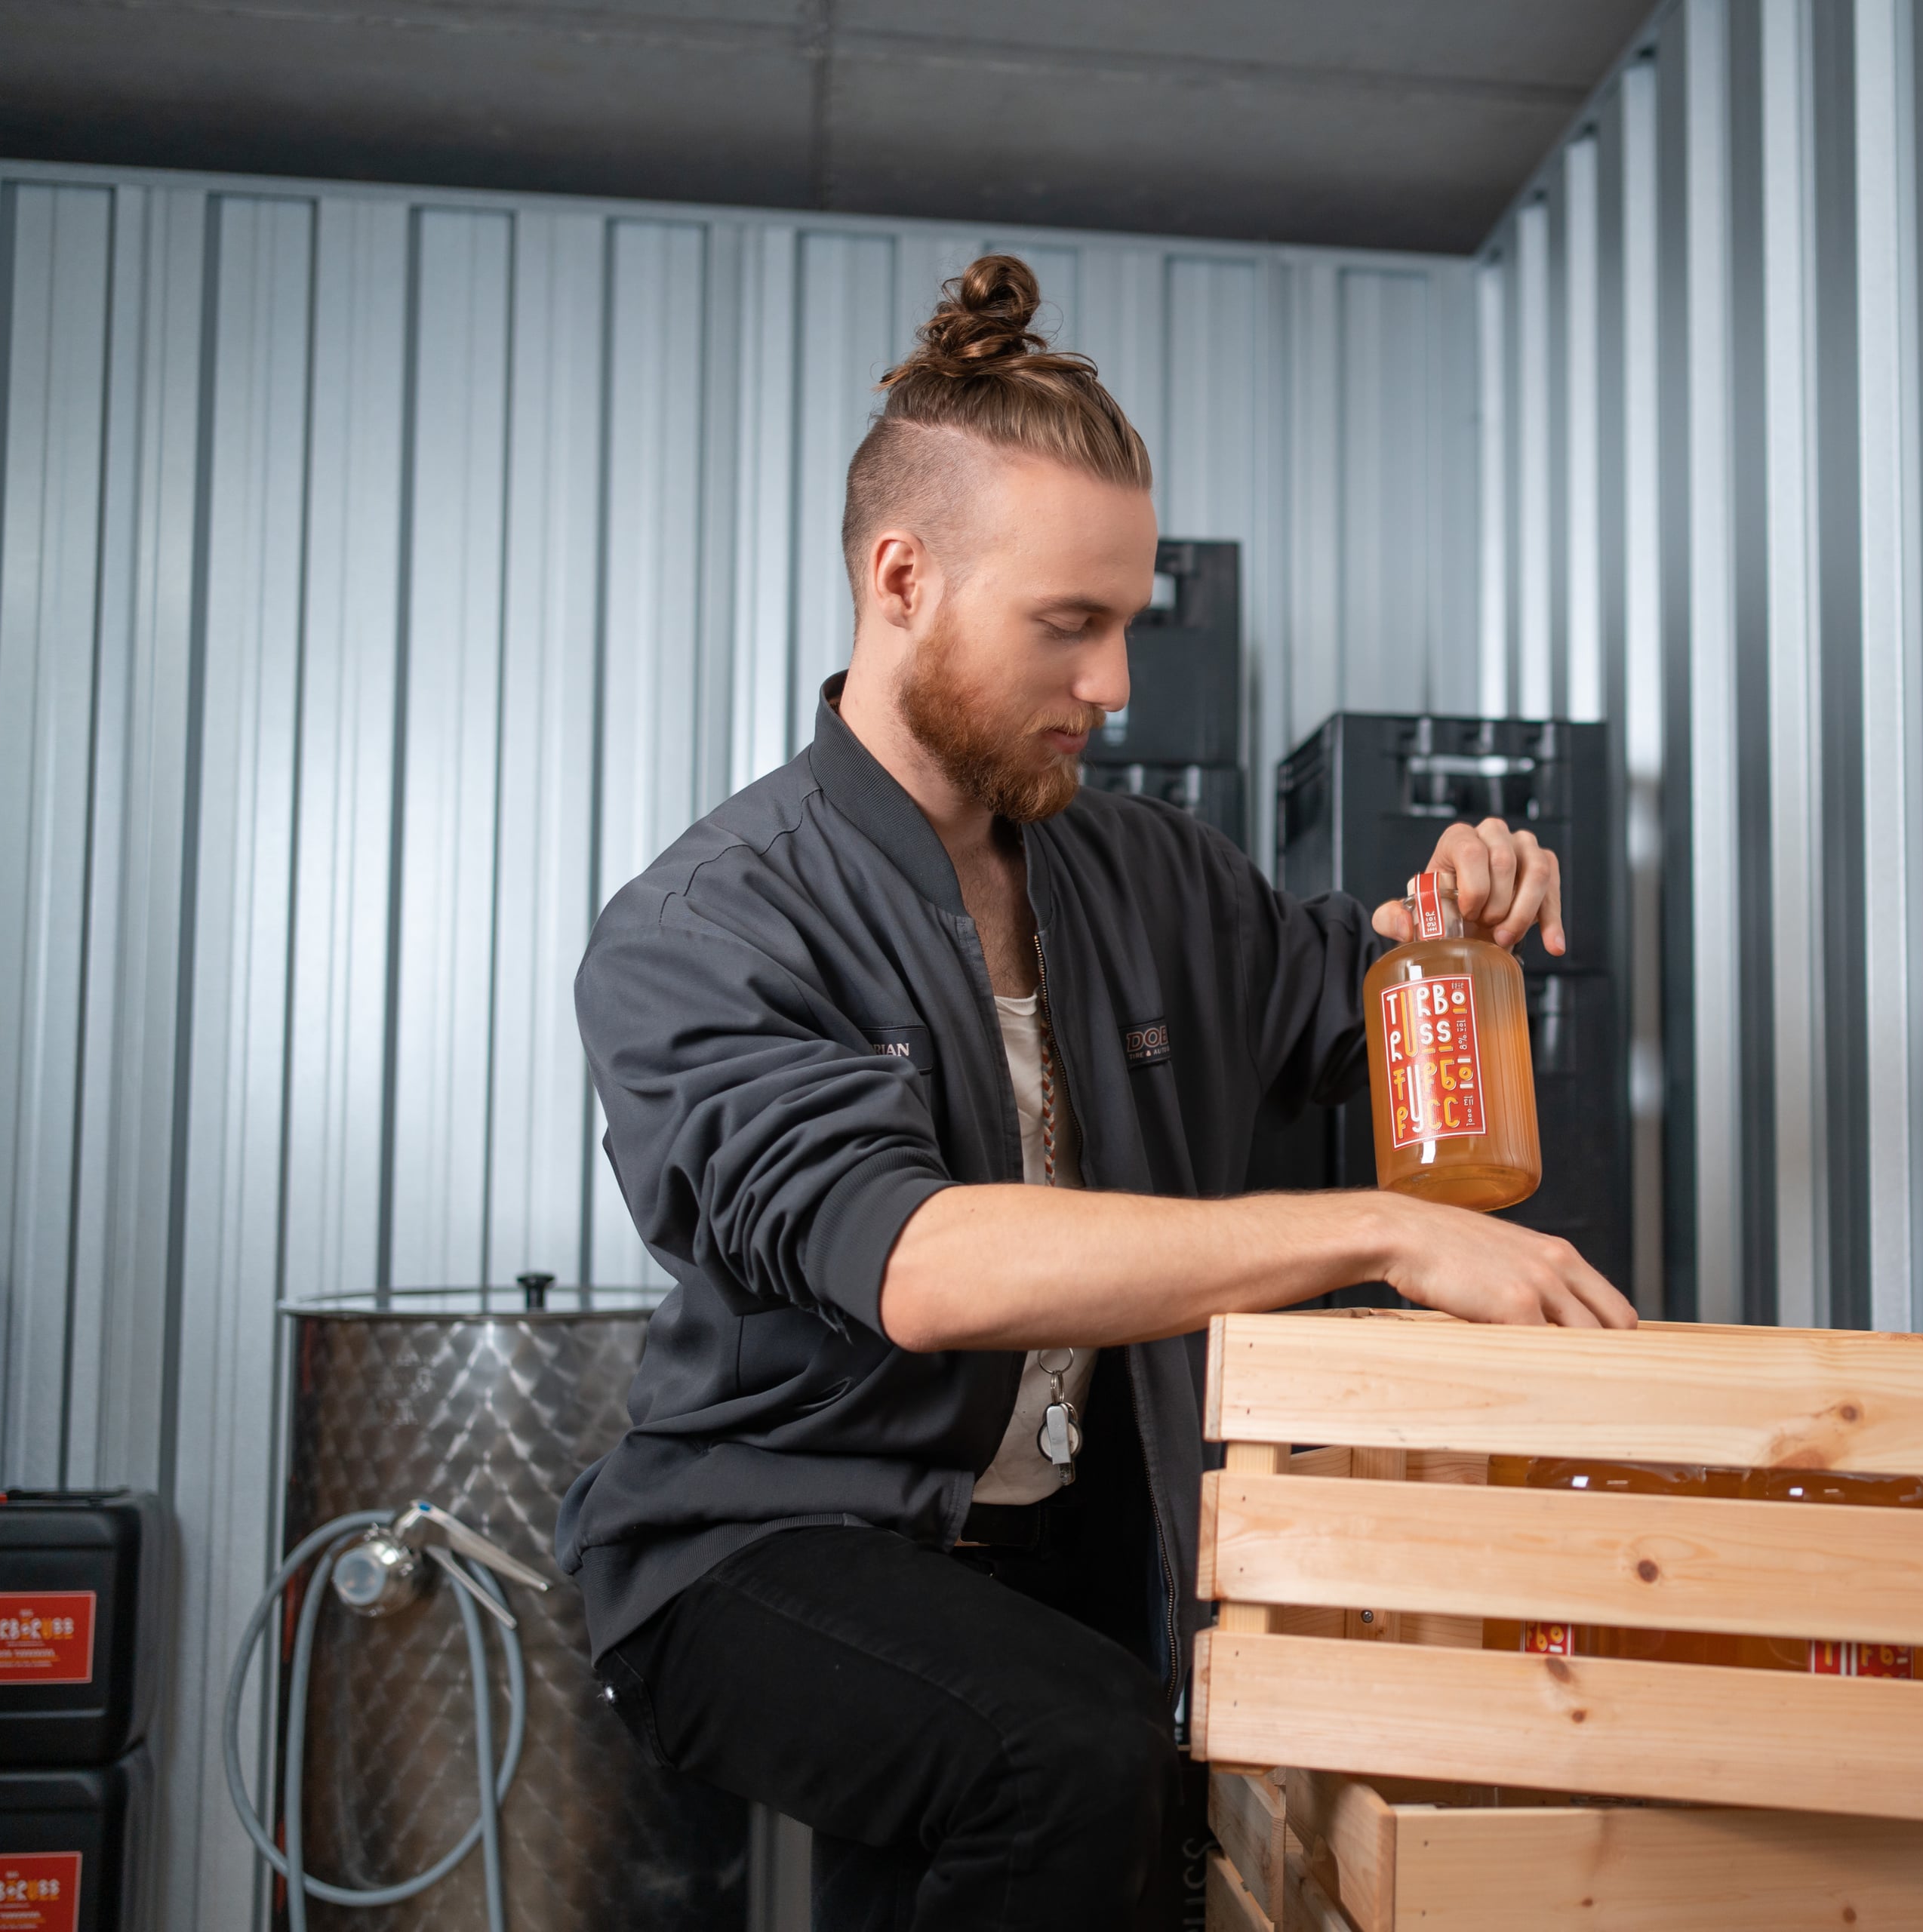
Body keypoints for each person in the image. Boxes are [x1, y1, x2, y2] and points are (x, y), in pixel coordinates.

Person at [557, 254, 1634, 1932]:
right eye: (1070, 624)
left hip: (1064, 1527)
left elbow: (1360, 1009)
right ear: (903, 577)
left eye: (1128, 621)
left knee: (1095, 1808)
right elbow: (919, 1263)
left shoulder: (1148, 874)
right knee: (1064, 1753)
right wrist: (1373, 1235)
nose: (1117, 683)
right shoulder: (707, 926)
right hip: (757, 1542)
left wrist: (1458, 924)